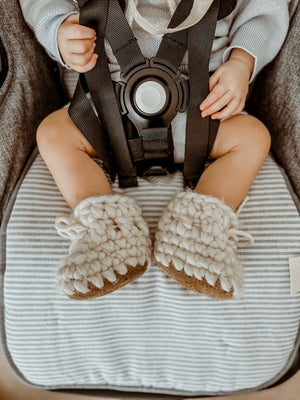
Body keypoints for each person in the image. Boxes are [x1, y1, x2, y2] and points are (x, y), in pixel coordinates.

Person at [20, 0, 290, 301]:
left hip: (202, 105)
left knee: (253, 137)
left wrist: (242, 62)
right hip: (108, 107)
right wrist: (58, 30)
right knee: (54, 132)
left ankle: (197, 231)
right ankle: (109, 233)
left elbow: (265, 9)